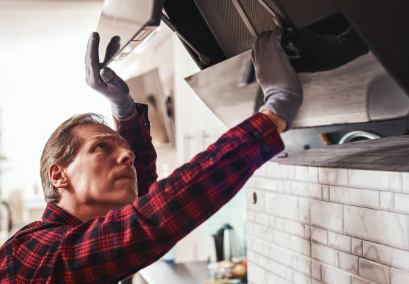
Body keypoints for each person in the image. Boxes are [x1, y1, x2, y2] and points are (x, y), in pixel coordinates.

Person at [0, 29, 302, 283]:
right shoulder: (33, 252)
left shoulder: (79, 236)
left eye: (126, 151)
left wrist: (125, 110)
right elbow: (151, 219)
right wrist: (271, 118)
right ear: (58, 174)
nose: (127, 157)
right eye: (101, 147)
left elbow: (141, 194)